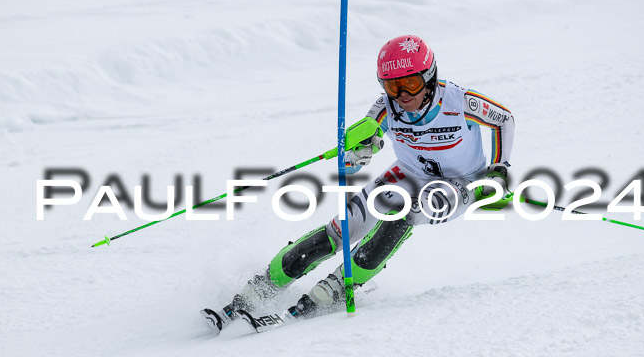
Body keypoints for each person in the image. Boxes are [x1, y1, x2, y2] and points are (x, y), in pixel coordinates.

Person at [201, 35, 515, 333]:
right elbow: (362, 153)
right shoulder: (385, 107)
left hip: (459, 183)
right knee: (339, 231)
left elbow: (504, 120)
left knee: (407, 212)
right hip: (406, 175)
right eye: (393, 86)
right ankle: (258, 290)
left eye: (411, 83)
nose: (403, 95)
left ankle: (335, 288)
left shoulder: (461, 102)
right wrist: (356, 153)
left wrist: (499, 169)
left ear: (430, 77)